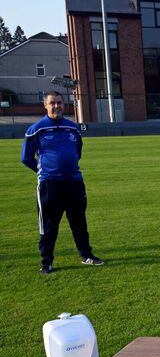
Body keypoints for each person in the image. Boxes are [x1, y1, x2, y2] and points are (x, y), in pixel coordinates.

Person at [21, 90, 104, 274]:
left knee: (79, 222)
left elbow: (77, 153)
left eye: (59, 102)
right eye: (52, 103)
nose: (56, 106)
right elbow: (26, 158)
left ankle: (86, 255)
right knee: (49, 225)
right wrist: (43, 171)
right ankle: (46, 262)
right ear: (45, 105)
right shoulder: (36, 129)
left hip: (74, 182)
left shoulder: (72, 128)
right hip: (50, 185)